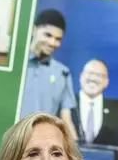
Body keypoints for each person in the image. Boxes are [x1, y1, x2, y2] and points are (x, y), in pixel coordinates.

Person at [19, 9, 78, 140]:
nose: (52, 43)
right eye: (48, 35)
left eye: (58, 39)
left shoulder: (63, 73)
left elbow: (66, 120)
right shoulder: (16, 64)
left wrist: (78, 152)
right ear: (34, 30)